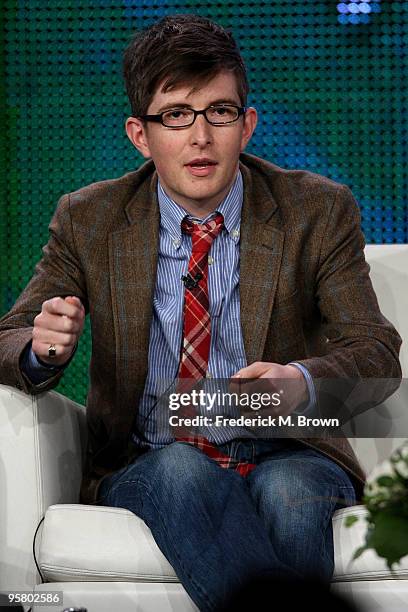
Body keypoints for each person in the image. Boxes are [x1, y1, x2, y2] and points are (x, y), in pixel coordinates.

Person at [0, 13, 402, 612]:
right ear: (140, 134)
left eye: (219, 112)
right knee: (183, 472)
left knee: (292, 494)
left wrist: (302, 382)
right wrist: (42, 347)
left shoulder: (316, 210)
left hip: (287, 447)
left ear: (247, 124)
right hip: (151, 456)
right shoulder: (89, 219)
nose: (200, 137)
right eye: (176, 116)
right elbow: (12, 337)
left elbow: (376, 352)